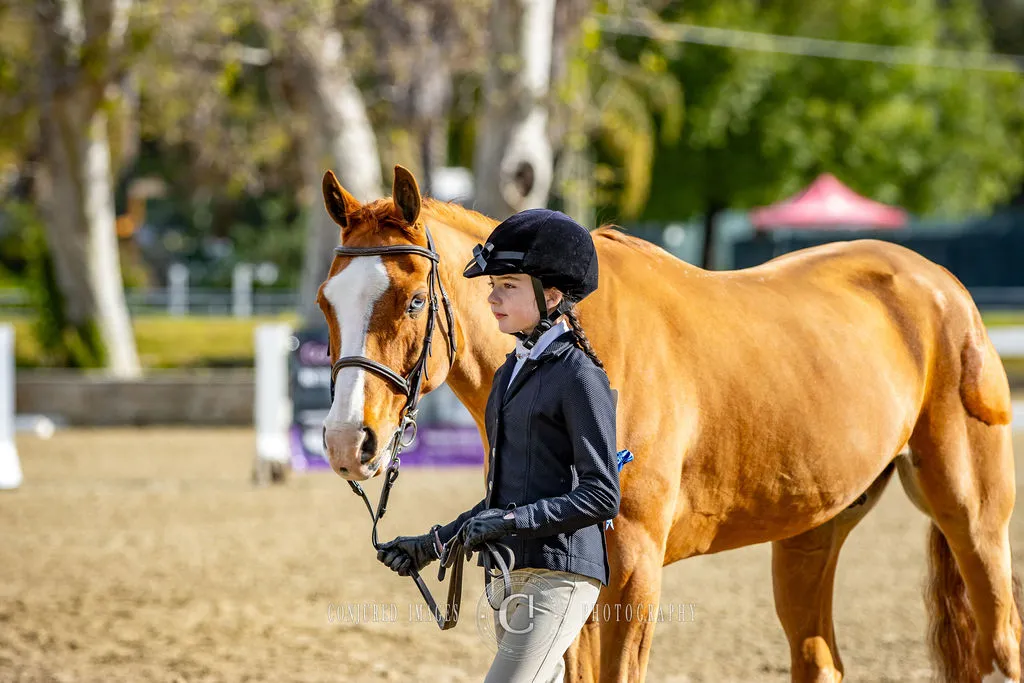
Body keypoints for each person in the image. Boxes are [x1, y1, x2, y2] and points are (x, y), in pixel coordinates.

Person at [377, 208, 621, 682]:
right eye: (493, 287)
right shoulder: (509, 375)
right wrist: (431, 544)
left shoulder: (580, 377)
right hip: (510, 573)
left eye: (507, 286)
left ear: (551, 294)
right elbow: (501, 499)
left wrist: (512, 521)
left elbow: (602, 494)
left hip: (560, 576)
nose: (492, 298)